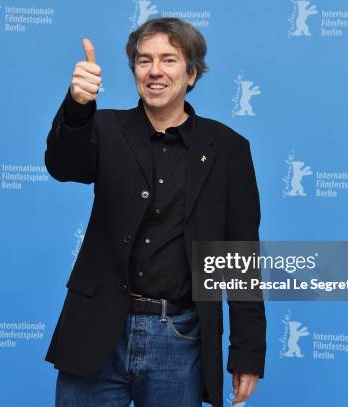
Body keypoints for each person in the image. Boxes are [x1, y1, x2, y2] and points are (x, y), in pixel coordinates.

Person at [44, 17, 266, 407]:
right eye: (144, 61)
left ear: (192, 73)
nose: (155, 71)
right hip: (97, 330)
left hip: (179, 339)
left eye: (169, 60)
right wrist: (77, 108)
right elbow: (63, 165)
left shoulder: (228, 149)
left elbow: (240, 256)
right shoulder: (103, 127)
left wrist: (247, 351)